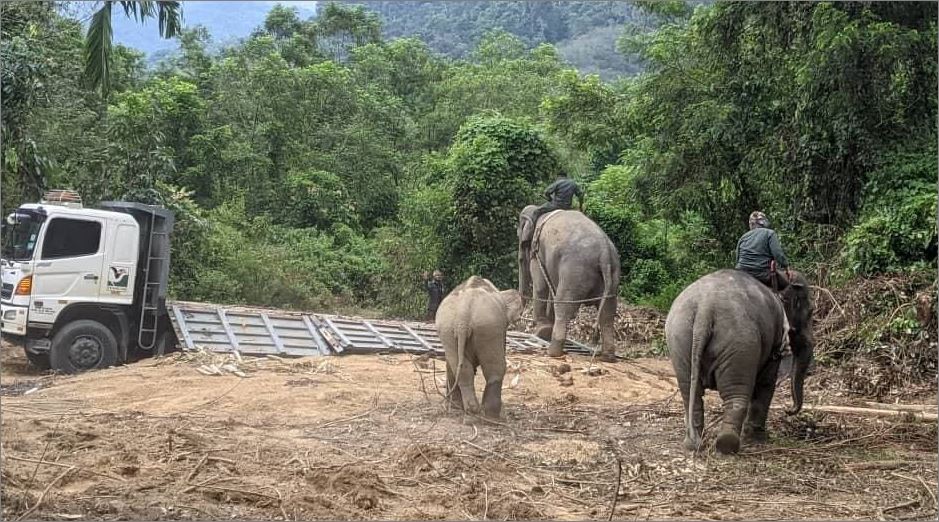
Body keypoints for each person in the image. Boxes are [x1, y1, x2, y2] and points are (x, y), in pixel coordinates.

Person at [735, 211, 792, 292]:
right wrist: (786, 267)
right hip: (761, 273)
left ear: (751, 224)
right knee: (787, 285)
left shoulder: (743, 237)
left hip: (741, 274)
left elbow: (737, 258)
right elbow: (778, 254)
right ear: (764, 222)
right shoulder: (769, 233)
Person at [523, 172, 584, 245]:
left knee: (536, 211)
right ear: (566, 176)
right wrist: (580, 207)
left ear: (559, 176)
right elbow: (581, 194)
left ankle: (529, 235)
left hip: (556, 205)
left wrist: (550, 199)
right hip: (568, 207)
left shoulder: (558, 182)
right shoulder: (573, 183)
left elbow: (547, 192)